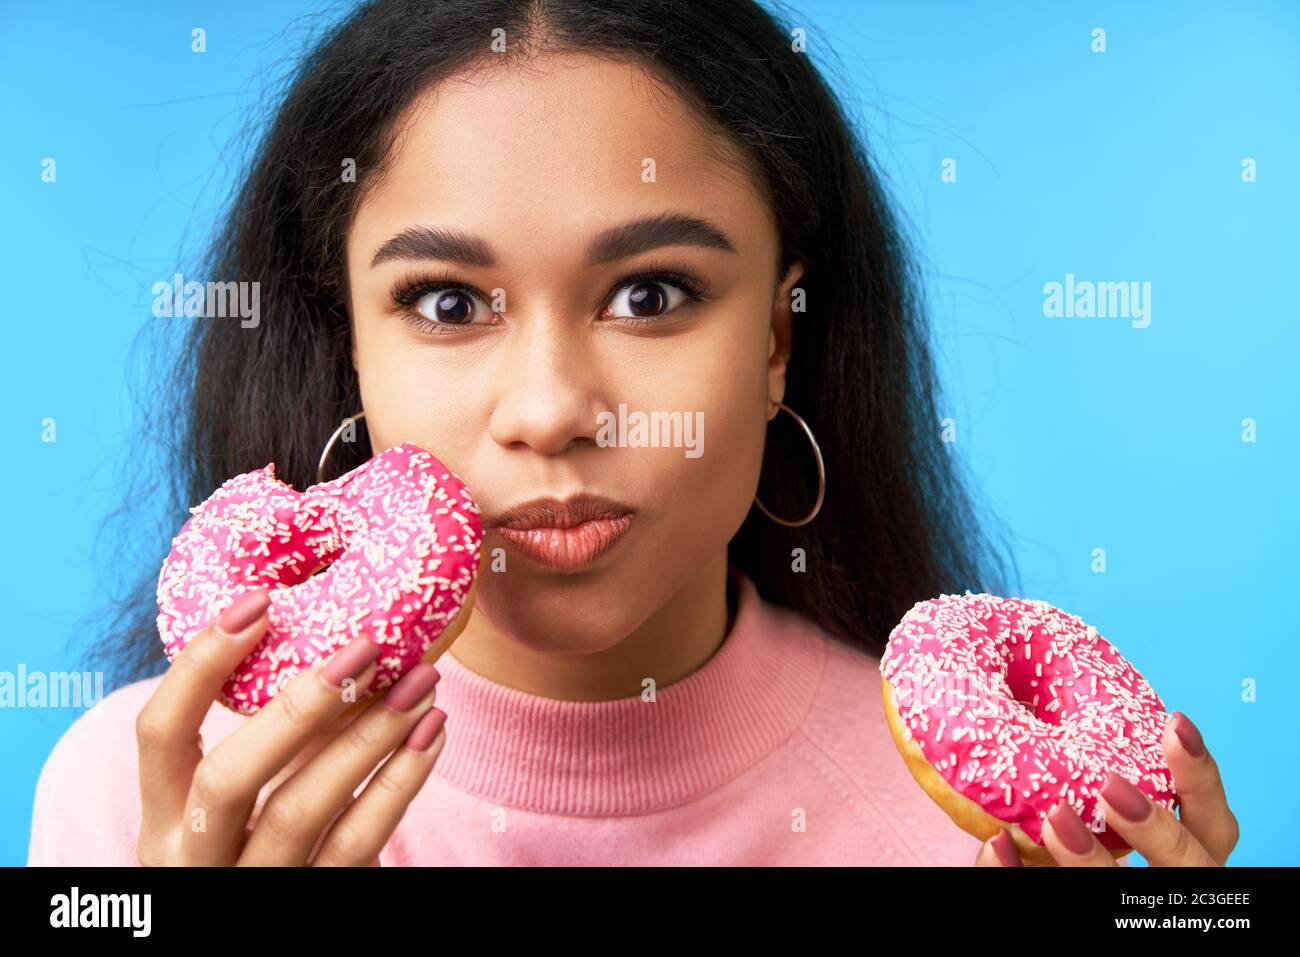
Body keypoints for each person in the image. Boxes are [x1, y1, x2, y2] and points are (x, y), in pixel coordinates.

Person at [28, 0, 1237, 867]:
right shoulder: (147, 812)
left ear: (776, 339)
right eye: (447, 304)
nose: (551, 409)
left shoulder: (994, 841)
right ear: (349, 341)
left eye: (649, 294)